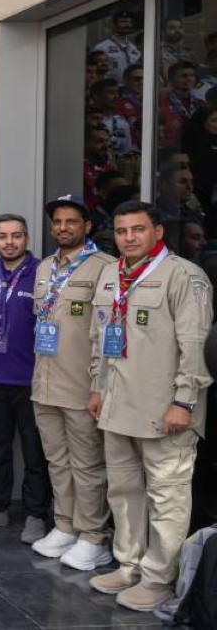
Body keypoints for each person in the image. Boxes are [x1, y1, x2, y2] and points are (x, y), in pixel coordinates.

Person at [86, 201, 213, 611]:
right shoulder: (111, 274)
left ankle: (159, 578)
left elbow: (194, 346)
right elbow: (99, 338)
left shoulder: (184, 276)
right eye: (122, 231)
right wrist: (97, 387)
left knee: (166, 496)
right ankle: (129, 565)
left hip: (164, 410)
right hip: (117, 404)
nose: (129, 238)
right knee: (124, 491)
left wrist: (184, 402)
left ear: (157, 232)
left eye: (138, 229)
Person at [29, 195, 116, 566]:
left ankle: (94, 536)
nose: (63, 228)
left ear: (87, 226)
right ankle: (65, 525)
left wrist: (99, 386)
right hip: (45, 383)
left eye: (71, 222)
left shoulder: (104, 268)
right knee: (57, 462)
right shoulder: (45, 267)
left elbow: (106, 333)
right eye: (58, 222)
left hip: (81, 385)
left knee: (87, 465)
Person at [0, 215, 51, 543]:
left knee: (34, 453)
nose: (9, 242)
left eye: (16, 236)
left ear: (26, 239)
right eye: (2, 236)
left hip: (31, 379)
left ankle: (35, 515)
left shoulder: (42, 272)